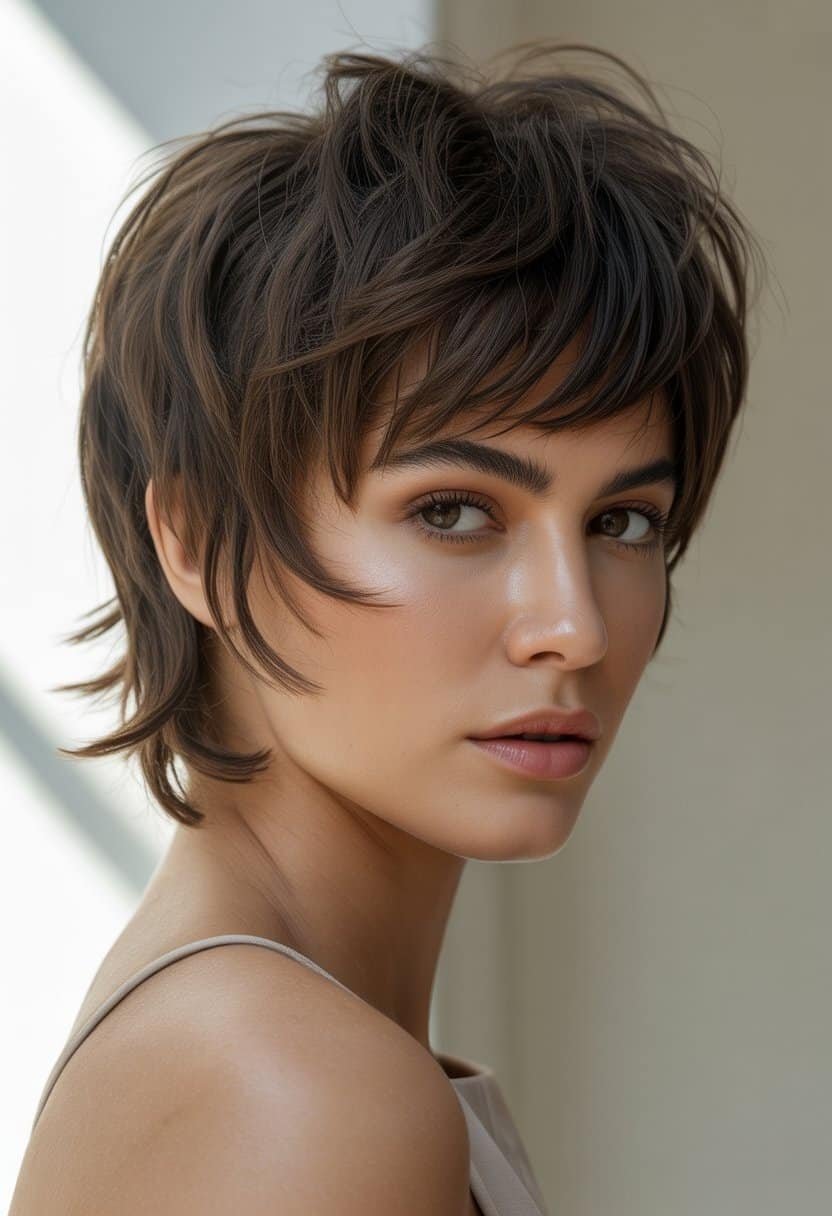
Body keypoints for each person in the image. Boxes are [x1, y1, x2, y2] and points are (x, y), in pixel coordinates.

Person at [9, 38, 765, 1216]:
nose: (571, 626)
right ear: (201, 540)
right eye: (454, 510)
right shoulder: (292, 1092)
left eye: (621, 519)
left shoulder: (280, 1046)